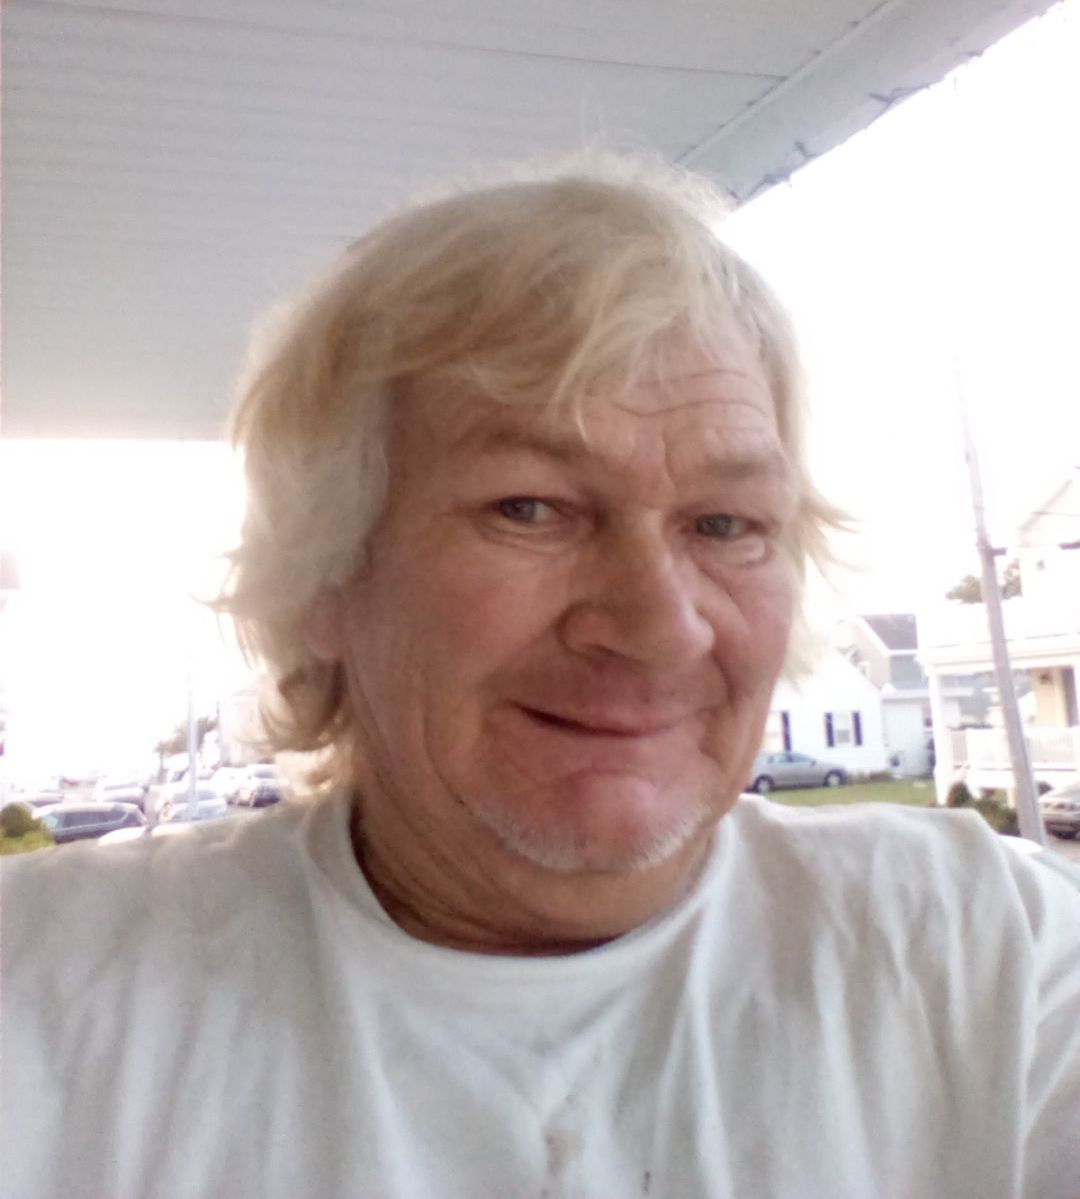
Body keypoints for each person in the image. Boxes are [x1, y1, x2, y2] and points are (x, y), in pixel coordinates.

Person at [4, 155, 1079, 1198]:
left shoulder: (990, 958)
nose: (661, 627)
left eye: (723, 524)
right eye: (530, 508)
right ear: (326, 575)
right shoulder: (44, 991)